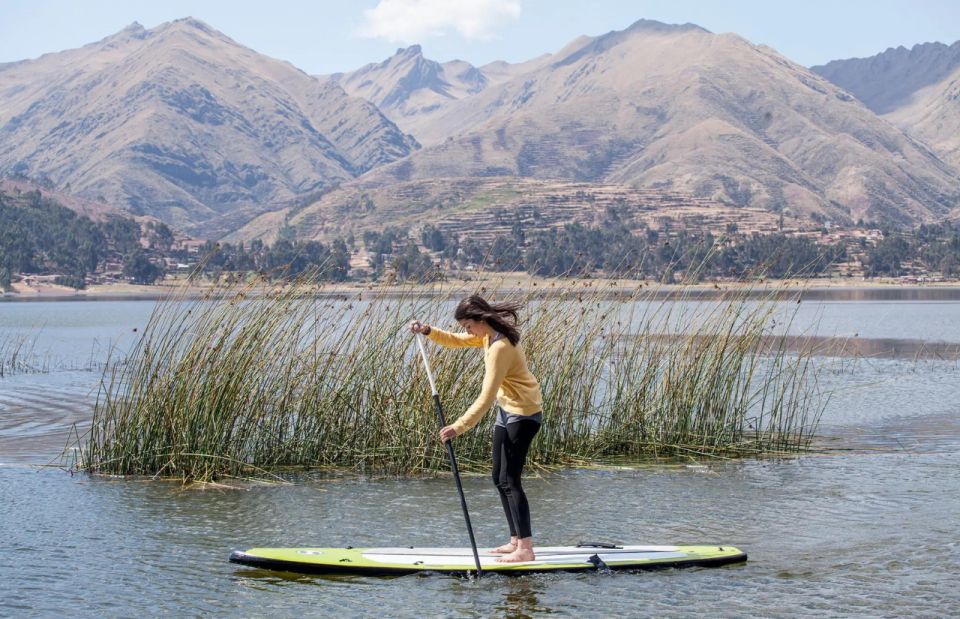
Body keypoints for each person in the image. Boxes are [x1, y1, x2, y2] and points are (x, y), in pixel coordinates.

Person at [410, 294, 544, 563]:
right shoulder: (488, 337)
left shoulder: (500, 348)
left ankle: (526, 549)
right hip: (507, 410)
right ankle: (515, 541)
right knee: (498, 477)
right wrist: (427, 331)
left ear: (480, 320)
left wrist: (458, 427)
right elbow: (457, 341)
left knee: (511, 480)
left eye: (468, 326)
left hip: (524, 414)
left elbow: (485, 396)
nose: (467, 331)